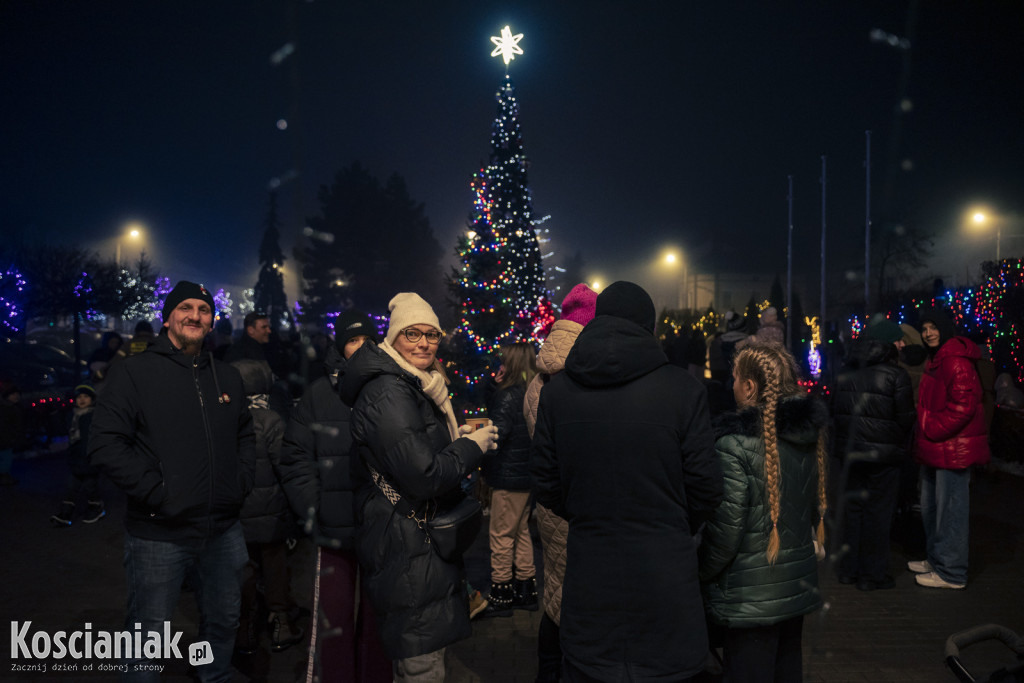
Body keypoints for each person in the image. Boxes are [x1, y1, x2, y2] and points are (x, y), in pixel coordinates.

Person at [531, 281, 723, 683]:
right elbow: (706, 486)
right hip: (666, 575)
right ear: (649, 328)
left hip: (590, 572)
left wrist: (589, 512)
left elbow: (546, 485)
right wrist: (672, 523)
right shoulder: (684, 390)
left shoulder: (558, 393)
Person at [90, 281, 255, 682]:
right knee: (149, 631)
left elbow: (245, 434)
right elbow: (105, 443)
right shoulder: (134, 372)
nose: (195, 315)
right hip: (158, 531)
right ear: (168, 317)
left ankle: (213, 674)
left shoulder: (227, 376)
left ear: (211, 321)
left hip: (222, 528)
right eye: (185, 307)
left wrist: (240, 481)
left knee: (223, 617)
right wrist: (157, 493)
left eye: (203, 309)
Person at [338, 293, 498, 682]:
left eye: (432, 334)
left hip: (413, 536)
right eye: (413, 333)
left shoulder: (413, 384)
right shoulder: (389, 391)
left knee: (422, 654)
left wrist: (455, 439)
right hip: (406, 539)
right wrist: (468, 448)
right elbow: (423, 475)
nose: (424, 342)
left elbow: (412, 452)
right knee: (421, 660)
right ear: (393, 338)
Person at [699, 344, 828, 683]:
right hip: (795, 585)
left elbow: (726, 533)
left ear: (750, 387)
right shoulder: (807, 436)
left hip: (748, 596)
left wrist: (702, 571)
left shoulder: (734, 445)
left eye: (736, 378)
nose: (732, 385)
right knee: (787, 669)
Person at [278, 309, 392, 683]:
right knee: (334, 622)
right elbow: (295, 457)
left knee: (379, 625)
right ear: (340, 345)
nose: (360, 348)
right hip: (334, 529)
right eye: (352, 340)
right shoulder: (317, 394)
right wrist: (314, 509)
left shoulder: (390, 386)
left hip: (381, 528)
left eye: (366, 340)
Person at [523, 282, 597, 683]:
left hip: (549, 504)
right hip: (579, 502)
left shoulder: (539, 382)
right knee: (577, 599)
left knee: (554, 590)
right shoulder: (585, 379)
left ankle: (547, 671)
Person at [907, 308, 989, 590]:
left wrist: (931, 427)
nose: (929, 333)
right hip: (938, 448)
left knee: (950, 510)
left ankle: (952, 572)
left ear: (945, 328)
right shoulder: (938, 358)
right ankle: (937, 559)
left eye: (933, 327)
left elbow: (965, 405)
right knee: (932, 508)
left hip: (952, 449)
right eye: (925, 328)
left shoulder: (954, 359)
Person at [832, 320, 915, 590]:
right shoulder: (896, 376)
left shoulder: (845, 371)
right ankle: (872, 575)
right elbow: (905, 419)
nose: (902, 345)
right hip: (883, 456)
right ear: (887, 345)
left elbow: (835, 413)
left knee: (852, 511)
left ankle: (847, 570)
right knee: (878, 514)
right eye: (898, 341)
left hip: (850, 455)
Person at [230, 359, 303, 655]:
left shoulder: (226, 417)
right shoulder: (270, 419)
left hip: (236, 512)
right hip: (272, 512)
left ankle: (244, 628)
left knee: (243, 570)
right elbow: (284, 466)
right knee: (275, 567)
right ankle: (281, 623)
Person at [480, 342, 539, 618]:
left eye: (503, 361)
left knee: (501, 535)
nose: (499, 366)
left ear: (511, 364)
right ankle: (526, 589)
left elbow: (497, 434)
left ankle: (501, 591)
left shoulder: (508, 396)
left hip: (508, 476)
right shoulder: (533, 392)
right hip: (527, 476)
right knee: (520, 531)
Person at [50, 383, 106, 526]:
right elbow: (62, 430)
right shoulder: (72, 415)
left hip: (90, 458)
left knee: (90, 486)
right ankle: (65, 514)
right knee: (71, 487)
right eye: (79, 397)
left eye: (86, 397)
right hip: (76, 458)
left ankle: (96, 508)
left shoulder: (94, 416)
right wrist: (55, 414)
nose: (81, 399)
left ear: (92, 400)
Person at [0, 382, 29, 486]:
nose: (16, 396)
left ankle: (5, 476)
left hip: (9, 439)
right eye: (13, 394)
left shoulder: (15, 407)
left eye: (17, 394)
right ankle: (4, 477)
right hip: (5, 439)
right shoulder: (7, 408)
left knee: (6, 458)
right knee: (5, 459)